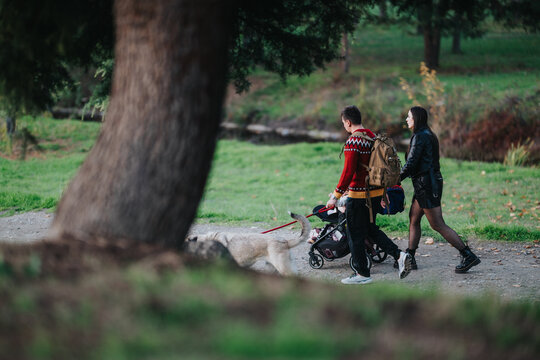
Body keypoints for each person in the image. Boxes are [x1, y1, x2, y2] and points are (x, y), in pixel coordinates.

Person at [326, 105, 412, 285]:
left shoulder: (353, 142)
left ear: (348, 122)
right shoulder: (372, 137)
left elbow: (348, 172)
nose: (344, 126)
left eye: (343, 123)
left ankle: (362, 274)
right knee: (370, 230)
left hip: (358, 197)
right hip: (374, 195)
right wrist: (382, 194)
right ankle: (400, 255)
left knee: (354, 234)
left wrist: (335, 196)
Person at [400, 106, 480, 273]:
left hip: (427, 186)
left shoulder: (420, 136)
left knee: (437, 224)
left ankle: (468, 255)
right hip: (426, 183)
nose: (407, 119)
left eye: (409, 117)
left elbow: (411, 163)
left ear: (417, 119)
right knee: (414, 218)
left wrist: (395, 179)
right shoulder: (427, 134)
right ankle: (410, 257)